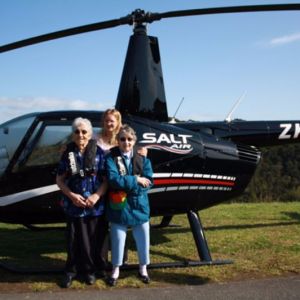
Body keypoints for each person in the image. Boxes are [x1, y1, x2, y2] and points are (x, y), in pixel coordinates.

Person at [56, 117, 108, 288]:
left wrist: (96, 196)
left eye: (84, 131)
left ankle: (89, 271)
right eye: (77, 131)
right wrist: (72, 196)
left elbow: (106, 180)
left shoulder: (99, 152)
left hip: (94, 206)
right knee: (73, 241)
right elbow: (60, 180)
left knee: (93, 241)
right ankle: (70, 271)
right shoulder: (67, 153)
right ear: (73, 134)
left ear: (90, 134)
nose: (80, 135)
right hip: (74, 206)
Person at [105, 124, 153, 286]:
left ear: (134, 141)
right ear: (117, 141)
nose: (126, 142)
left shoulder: (144, 159)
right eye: (123, 139)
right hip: (119, 206)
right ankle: (116, 269)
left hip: (139, 205)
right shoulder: (111, 159)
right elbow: (113, 179)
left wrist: (126, 184)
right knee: (118, 239)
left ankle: (143, 267)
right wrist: (136, 180)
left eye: (129, 139)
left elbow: (150, 182)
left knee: (143, 238)